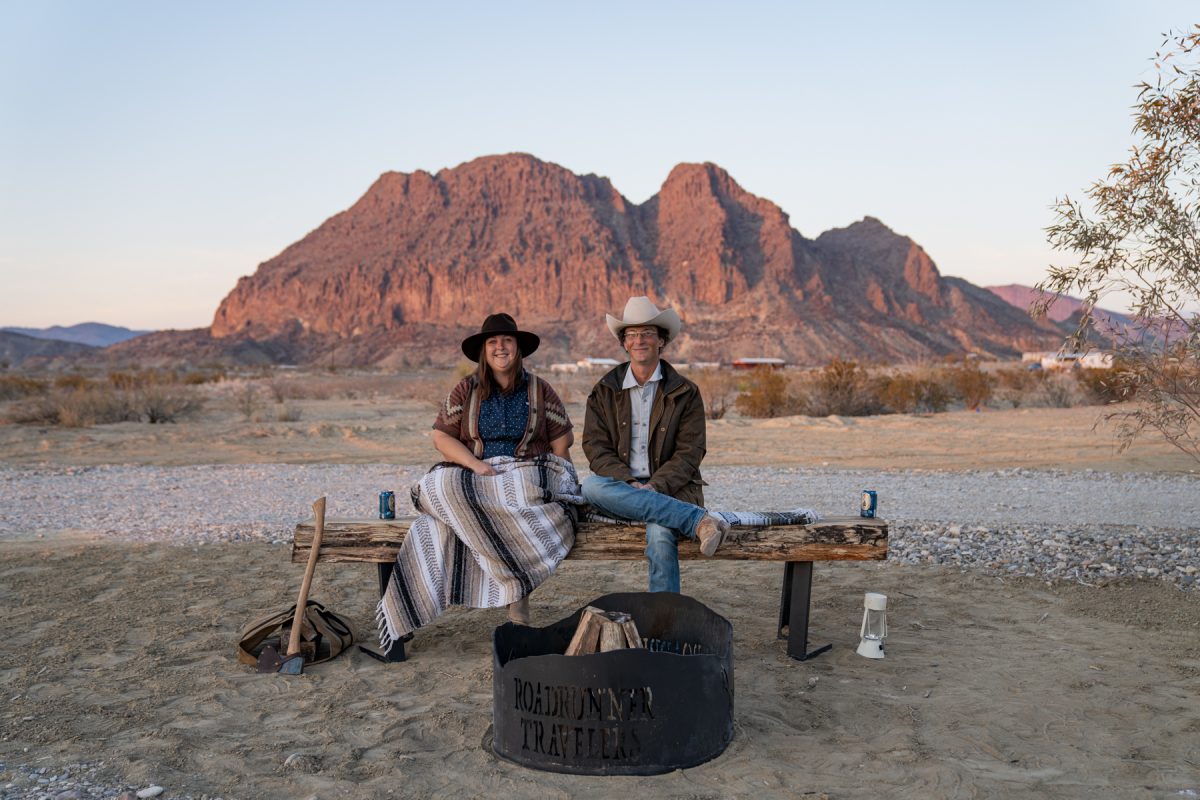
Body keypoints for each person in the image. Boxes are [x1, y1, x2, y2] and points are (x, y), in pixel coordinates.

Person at [376, 313, 575, 647]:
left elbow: (561, 445)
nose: (500, 347)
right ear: (484, 351)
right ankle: (514, 580)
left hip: (523, 474)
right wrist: (475, 465)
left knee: (520, 491)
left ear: (518, 348)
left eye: (507, 341)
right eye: (493, 342)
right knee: (438, 488)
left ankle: (517, 593)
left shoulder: (541, 389)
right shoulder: (465, 389)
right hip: (478, 478)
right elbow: (441, 438)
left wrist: (566, 484)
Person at [581, 296, 730, 594]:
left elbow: (691, 452)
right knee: (589, 486)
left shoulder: (685, 392)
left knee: (661, 531)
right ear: (624, 343)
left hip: (671, 489)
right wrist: (628, 482)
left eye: (647, 333)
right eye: (632, 334)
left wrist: (654, 487)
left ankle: (665, 630)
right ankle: (698, 521)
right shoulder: (605, 390)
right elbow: (595, 447)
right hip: (621, 489)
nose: (639, 340)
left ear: (662, 340)